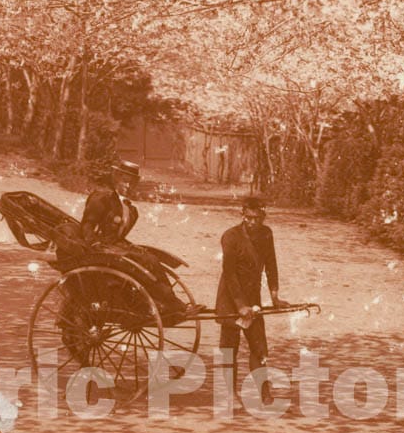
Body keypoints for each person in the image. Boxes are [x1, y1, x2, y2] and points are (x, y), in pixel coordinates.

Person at [79, 162, 202, 321]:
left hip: (115, 246)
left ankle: (167, 303)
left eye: (131, 182)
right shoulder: (102, 197)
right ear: (115, 178)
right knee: (145, 260)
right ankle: (167, 304)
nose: (128, 185)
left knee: (151, 259)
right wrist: (94, 245)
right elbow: (87, 225)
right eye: (124, 180)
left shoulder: (130, 209)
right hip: (100, 248)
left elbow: (119, 235)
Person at [215, 196, 288, 402]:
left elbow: (271, 265)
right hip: (230, 297)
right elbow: (229, 273)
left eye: (257, 218)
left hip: (253, 298)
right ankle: (230, 394)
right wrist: (239, 305)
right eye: (248, 218)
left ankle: (265, 393)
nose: (252, 222)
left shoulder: (266, 234)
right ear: (242, 215)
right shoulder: (230, 236)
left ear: (263, 217)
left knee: (259, 346)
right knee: (229, 348)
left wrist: (274, 295)